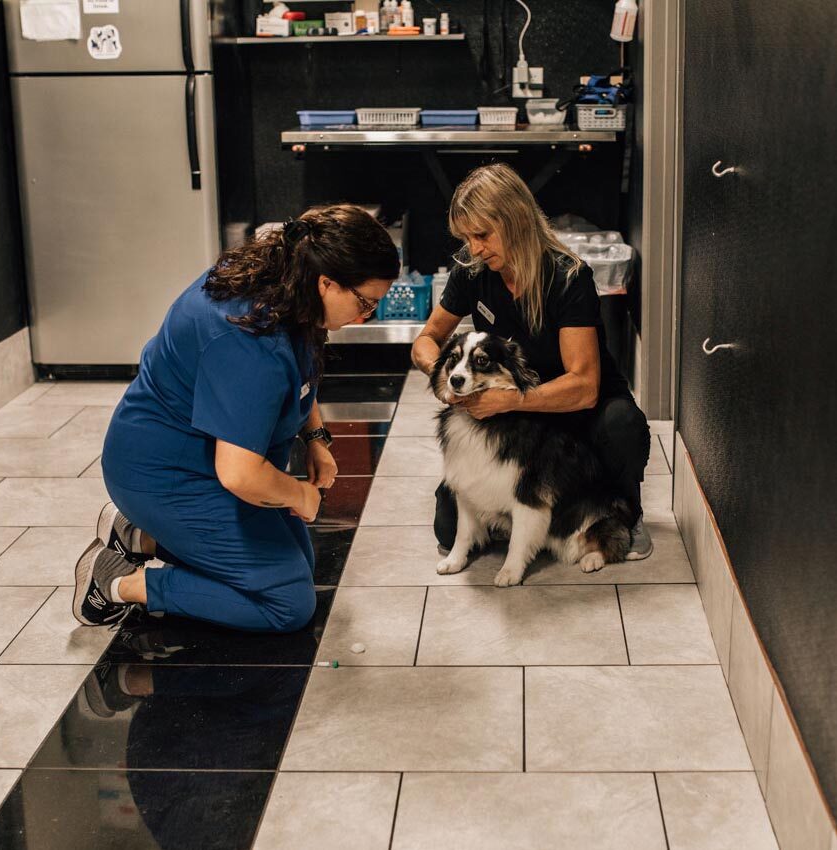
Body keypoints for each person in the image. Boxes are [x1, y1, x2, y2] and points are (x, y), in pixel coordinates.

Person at [73, 204, 399, 632]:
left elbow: (301, 367)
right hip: (166, 476)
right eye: (366, 302)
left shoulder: (290, 279)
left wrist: (315, 437)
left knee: (300, 560)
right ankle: (119, 581)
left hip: (207, 461)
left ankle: (139, 535)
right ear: (327, 283)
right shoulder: (249, 339)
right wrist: (300, 495)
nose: (365, 316)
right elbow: (241, 475)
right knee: (286, 602)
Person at [411, 163, 653, 559]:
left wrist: (508, 401)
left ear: (515, 221)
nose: (473, 248)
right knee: (448, 528)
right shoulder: (472, 270)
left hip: (575, 411)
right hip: (518, 421)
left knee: (621, 425)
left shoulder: (568, 277)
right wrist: (443, 378)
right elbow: (427, 339)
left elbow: (584, 385)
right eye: (466, 238)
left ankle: (623, 516)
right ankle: (527, 517)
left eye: (482, 235)